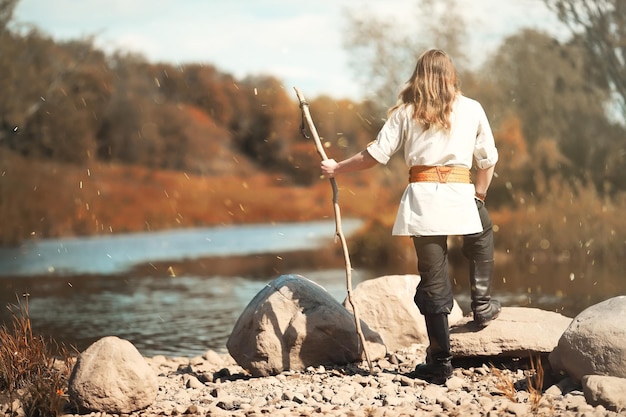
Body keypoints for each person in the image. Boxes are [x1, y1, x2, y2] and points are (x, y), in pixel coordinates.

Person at [321, 49, 501, 384]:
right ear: (451, 76)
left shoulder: (406, 112)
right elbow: (488, 158)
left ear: (418, 76)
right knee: (482, 232)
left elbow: (374, 154)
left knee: (433, 278)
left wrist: (337, 168)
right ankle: (482, 304)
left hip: (424, 199)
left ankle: (440, 363)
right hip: (462, 194)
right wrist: (479, 195)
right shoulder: (472, 108)